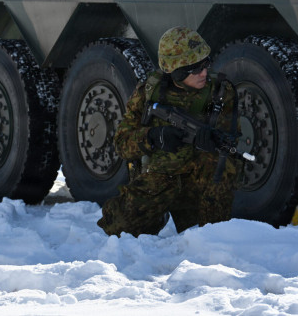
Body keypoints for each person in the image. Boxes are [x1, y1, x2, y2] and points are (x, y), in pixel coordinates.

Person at [97, 26, 240, 237]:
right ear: (176, 70)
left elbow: (232, 141)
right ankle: (157, 214)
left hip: (199, 181)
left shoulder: (220, 92)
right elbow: (121, 144)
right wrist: (153, 138)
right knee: (117, 229)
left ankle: (210, 228)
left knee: (221, 167)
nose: (203, 73)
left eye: (205, 64)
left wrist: (212, 142)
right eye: (194, 68)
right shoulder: (149, 92)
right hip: (160, 178)